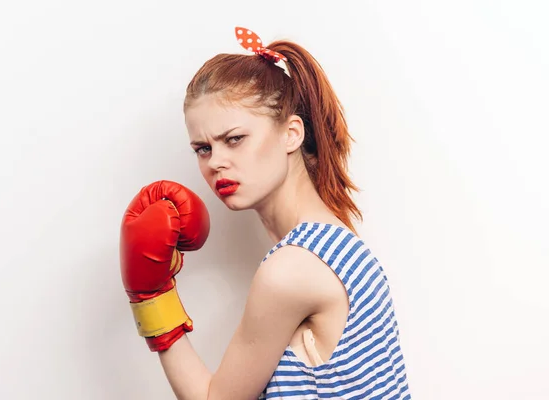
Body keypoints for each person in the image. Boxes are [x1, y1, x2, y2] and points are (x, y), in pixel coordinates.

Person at [119, 26, 411, 399]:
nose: (216, 163)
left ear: (291, 134)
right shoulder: (335, 239)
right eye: (202, 148)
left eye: (234, 139)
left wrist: (152, 297)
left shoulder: (291, 270)